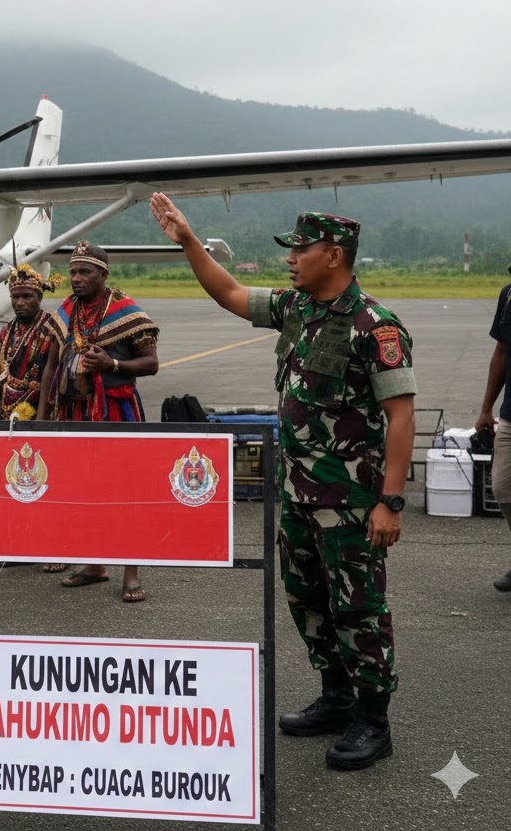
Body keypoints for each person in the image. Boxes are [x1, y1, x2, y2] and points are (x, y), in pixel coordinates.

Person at [150, 194, 415, 771]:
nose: (292, 259)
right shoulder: (298, 308)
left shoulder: (375, 325)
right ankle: (337, 696)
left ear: (335, 255)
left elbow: (401, 416)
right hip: (296, 495)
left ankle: (373, 720)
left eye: (302, 249)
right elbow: (230, 294)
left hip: (349, 501)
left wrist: (390, 502)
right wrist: (188, 241)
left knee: (359, 609)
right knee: (307, 600)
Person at [37, 241, 159, 602]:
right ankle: (95, 565)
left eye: (85, 272)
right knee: (82, 491)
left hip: (116, 413)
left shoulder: (126, 311)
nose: (76, 278)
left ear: (103, 275)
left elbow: (151, 364)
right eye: (73, 272)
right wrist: (42, 418)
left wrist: (113, 365)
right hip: (73, 414)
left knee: (122, 492)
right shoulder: (66, 312)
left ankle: (131, 572)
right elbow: (49, 368)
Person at [0, 262, 65, 572]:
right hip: (9, 419)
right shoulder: (5, 333)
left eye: (27, 297)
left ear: (39, 297)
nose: (20, 303)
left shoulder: (53, 331)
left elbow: (55, 377)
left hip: (43, 415)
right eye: (16, 297)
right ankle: (19, 545)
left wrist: (43, 422)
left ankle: (55, 549)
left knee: (48, 485)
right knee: (15, 485)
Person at [473, 268, 511, 591]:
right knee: (502, 487)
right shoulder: (508, 295)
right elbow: (501, 352)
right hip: (510, 414)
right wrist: (486, 409)